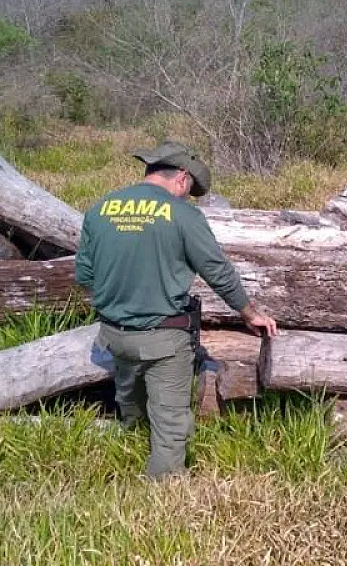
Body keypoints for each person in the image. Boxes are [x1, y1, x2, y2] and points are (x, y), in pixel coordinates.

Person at [75, 140, 278, 479]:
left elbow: (84, 276)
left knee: (131, 406)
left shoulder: (100, 208)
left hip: (113, 335)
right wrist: (248, 312)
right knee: (170, 425)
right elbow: (217, 270)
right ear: (182, 177)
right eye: (189, 189)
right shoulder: (183, 215)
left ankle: (124, 455)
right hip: (164, 339)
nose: (187, 196)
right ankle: (161, 500)